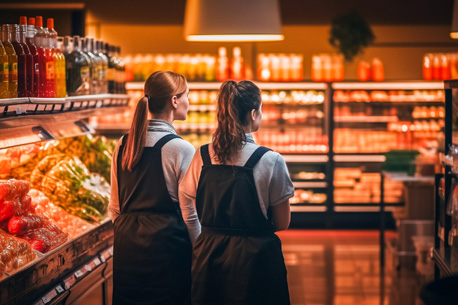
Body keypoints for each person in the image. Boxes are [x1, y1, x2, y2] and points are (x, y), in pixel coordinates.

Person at [179, 80, 294, 305]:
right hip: (256, 260)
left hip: (209, 256)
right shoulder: (271, 160)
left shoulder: (201, 156)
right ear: (253, 113)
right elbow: (282, 222)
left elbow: (189, 201)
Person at [109, 71, 200, 305]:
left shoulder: (123, 144)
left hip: (128, 249)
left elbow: (115, 208)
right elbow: (190, 215)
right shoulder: (181, 149)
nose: (189, 102)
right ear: (174, 101)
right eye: (187, 95)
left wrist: (130, 235)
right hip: (167, 248)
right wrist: (200, 252)